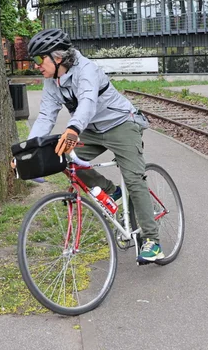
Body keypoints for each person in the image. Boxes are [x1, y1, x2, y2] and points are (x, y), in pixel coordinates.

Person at [21, 28, 162, 263]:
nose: (36, 65)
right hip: (92, 130)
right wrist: (31, 151)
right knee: (62, 159)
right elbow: (46, 116)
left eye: (39, 59)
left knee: (134, 178)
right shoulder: (52, 81)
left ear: (57, 57)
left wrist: (73, 129)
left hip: (121, 124)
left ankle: (152, 241)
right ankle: (110, 191)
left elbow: (87, 101)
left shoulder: (86, 70)